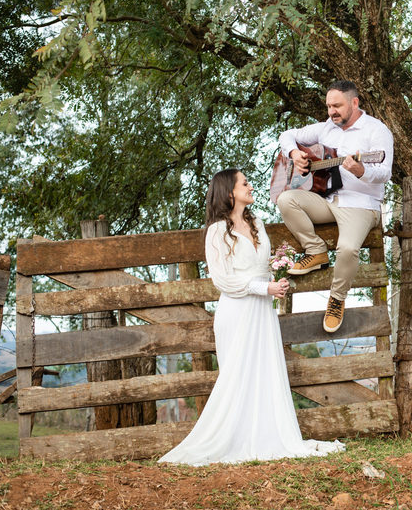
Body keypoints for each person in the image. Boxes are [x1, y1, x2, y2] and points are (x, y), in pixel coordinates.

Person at [159, 168, 344, 466]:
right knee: (238, 377)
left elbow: (261, 265)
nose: (250, 186)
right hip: (238, 311)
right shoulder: (217, 231)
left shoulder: (256, 222)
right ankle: (232, 440)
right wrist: (263, 287)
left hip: (263, 311)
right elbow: (223, 280)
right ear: (229, 193)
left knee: (265, 372)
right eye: (244, 183)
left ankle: (267, 436)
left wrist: (277, 277)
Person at [277, 80, 393, 333]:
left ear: (354, 102)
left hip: (361, 205)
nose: (332, 111)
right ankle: (315, 250)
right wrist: (294, 155)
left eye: (337, 106)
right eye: (329, 106)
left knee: (348, 248)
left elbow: (384, 172)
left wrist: (361, 170)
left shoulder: (377, 130)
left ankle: (337, 299)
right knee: (286, 199)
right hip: (328, 200)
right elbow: (287, 135)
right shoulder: (326, 128)